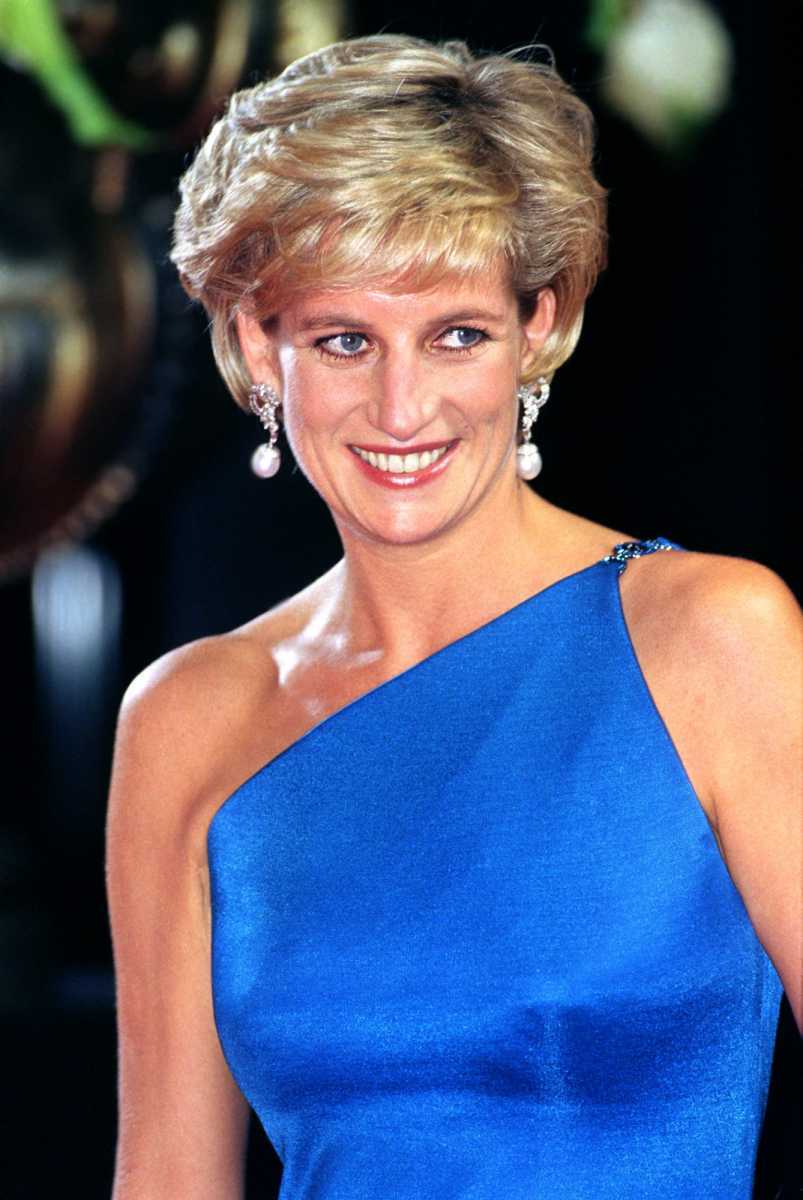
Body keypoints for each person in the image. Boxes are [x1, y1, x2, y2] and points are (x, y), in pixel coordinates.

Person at [106, 34, 801, 1200]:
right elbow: (168, 1177)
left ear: (537, 326)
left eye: (454, 335)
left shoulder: (705, 633)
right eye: (342, 340)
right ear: (252, 344)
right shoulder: (188, 715)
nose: (400, 405)